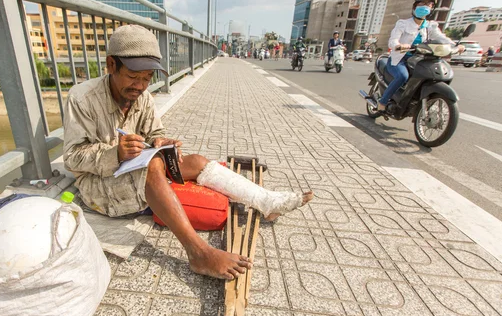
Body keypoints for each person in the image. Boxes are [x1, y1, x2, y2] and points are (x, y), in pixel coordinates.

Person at [63, 25, 314, 280]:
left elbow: (154, 132)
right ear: (110, 65)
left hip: (135, 167)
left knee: (195, 162)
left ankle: (265, 202)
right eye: (132, 77)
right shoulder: (82, 98)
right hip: (99, 183)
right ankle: (198, 253)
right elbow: (72, 157)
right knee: (154, 168)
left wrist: (160, 141)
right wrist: (115, 153)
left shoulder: (143, 96)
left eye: (147, 78)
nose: (139, 86)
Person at [378, 0, 465, 112]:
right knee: (402, 76)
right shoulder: (403, 24)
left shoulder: (431, 26)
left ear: (432, 9)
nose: (425, 7)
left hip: (419, 59)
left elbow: (442, 38)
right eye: (422, 4)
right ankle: (383, 101)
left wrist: (456, 45)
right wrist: (399, 46)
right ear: (415, 7)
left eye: (429, 4)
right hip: (400, 58)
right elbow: (393, 41)